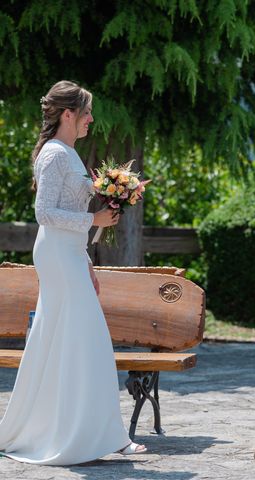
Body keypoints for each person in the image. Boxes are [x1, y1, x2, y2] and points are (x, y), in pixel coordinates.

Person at [0, 80, 146, 464]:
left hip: (69, 256)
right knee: (89, 341)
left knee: (70, 341)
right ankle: (95, 433)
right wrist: (93, 217)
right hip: (56, 256)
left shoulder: (67, 153)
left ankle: (92, 430)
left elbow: (66, 219)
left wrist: (86, 260)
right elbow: (43, 213)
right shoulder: (54, 155)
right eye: (86, 112)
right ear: (68, 114)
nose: (91, 119)